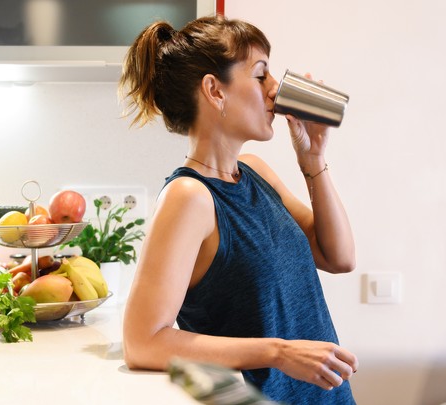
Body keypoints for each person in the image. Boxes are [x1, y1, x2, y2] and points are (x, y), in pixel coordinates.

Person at [119, 14, 358, 405]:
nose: (275, 90)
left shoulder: (256, 172)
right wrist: (276, 351)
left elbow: (340, 257)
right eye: (261, 74)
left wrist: (313, 159)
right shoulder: (188, 197)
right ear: (215, 91)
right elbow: (143, 341)